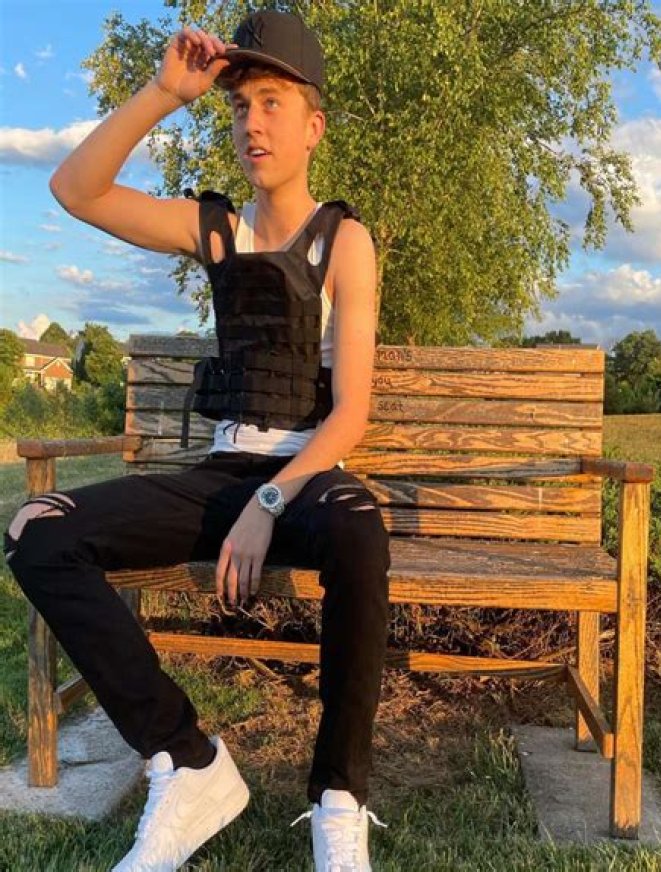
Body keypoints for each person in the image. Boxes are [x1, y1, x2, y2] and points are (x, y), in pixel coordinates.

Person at [3, 10, 391, 872]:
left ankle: (339, 799)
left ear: (314, 126)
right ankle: (187, 762)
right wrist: (164, 92)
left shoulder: (345, 242)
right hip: (220, 473)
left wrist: (269, 500)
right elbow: (75, 190)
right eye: (241, 105)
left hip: (306, 481)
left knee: (363, 531)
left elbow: (350, 415)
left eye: (274, 103)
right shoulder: (213, 229)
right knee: (37, 532)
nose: (253, 123)